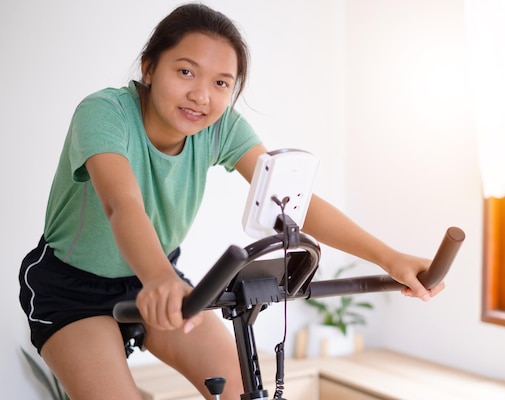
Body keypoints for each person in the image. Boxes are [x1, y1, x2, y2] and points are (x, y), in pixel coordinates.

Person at [18, 4, 445, 400]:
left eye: (221, 83)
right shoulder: (104, 114)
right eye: (186, 72)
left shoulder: (220, 128)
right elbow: (122, 204)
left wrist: (390, 258)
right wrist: (159, 278)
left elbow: (294, 204)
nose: (201, 96)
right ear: (149, 67)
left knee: (243, 389)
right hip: (74, 289)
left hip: (161, 276)